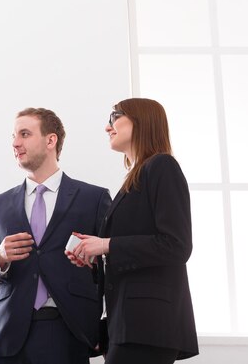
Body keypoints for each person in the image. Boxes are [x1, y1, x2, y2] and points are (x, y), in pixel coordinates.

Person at [0, 107, 112, 364]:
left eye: (24, 134)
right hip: (9, 336)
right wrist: (0, 256)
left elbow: (112, 269)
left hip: (70, 333)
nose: (15, 143)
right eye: (13, 136)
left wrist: (106, 328)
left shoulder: (94, 199)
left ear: (51, 140)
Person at [65, 98, 199, 363]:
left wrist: (106, 245)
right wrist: (95, 256)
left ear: (142, 121)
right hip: (127, 326)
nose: (107, 127)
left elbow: (177, 245)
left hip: (148, 326)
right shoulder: (136, 177)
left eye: (115, 116)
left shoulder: (162, 166)